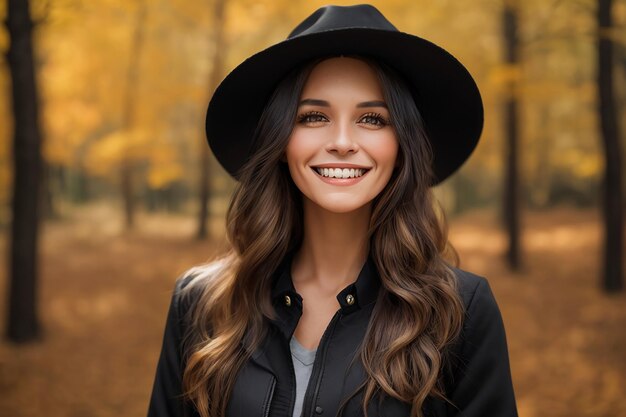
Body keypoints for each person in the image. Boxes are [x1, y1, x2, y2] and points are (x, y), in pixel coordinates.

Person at [147, 4, 518, 417]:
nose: (342, 141)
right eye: (314, 116)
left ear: (401, 148)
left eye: (373, 119)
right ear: (281, 142)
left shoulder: (460, 313)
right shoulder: (200, 303)